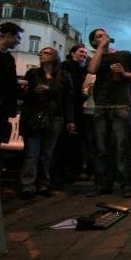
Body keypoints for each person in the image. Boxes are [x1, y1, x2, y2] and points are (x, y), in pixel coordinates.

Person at [86, 28, 131, 199]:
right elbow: (92, 70)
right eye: (99, 36)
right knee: (101, 148)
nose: (103, 37)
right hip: (101, 106)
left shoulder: (124, 54)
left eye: (105, 34)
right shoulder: (96, 57)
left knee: (121, 146)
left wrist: (124, 73)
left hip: (120, 105)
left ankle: (126, 185)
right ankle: (103, 184)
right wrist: (100, 49)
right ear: (94, 42)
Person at [18, 47, 75, 200]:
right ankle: (27, 185)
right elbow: (25, 95)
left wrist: (70, 120)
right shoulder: (33, 74)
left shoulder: (63, 76)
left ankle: (43, 184)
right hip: (35, 116)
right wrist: (28, 91)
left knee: (47, 154)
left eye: (47, 53)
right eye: (41, 53)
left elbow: (68, 99)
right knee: (31, 152)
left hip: (55, 117)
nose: (41, 54)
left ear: (55, 57)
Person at [52, 44, 88, 187]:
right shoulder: (66, 67)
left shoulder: (81, 70)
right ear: (72, 53)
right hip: (69, 109)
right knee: (64, 143)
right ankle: (61, 176)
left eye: (85, 53)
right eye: (81, 52)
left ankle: (70, 174)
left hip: (77, 108)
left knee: (73, 143)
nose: (84, 55)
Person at [0, 22, 23, 143]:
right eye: (18, 38)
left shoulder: (10, 58)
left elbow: (11, 82)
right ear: (9, 35)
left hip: (4, 107)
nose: (19, 42)